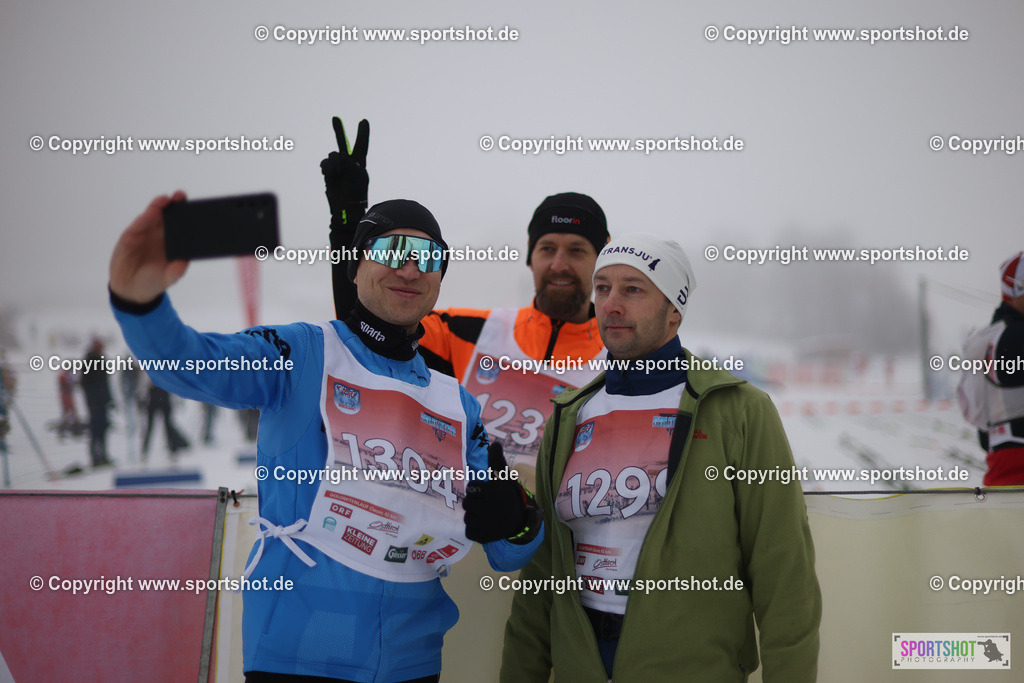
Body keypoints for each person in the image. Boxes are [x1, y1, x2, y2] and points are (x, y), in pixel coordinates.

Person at [109, 192, 543, 682]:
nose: (409, 268)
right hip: (298, 657)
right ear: (356, 265)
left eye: (427, 257)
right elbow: (190, 364)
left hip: (413, 663)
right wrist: (139, 301)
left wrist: (517, 516)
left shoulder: (457, 404)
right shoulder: (303, 354)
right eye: (390, 251)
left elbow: (510, 553)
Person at [501, 234, 821, 682]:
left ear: (675, 310)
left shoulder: (738, 410)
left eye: (633, 289)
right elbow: (540, 581)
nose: (611, 304)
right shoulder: (569, 414)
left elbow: (784, 573)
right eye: (603, 287)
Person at [323, 118, 607, 473]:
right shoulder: (465, 331)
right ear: (529, 256)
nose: (559, 264)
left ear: (601, 259)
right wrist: (349, 225)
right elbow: (367, 329)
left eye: (577, 251)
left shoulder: (623, 362)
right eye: (547, 249)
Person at [958, 250, 1024, 486]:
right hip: (1014, 465)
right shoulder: (1009, 337)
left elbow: (978, 420)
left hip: (1002, 463)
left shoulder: (985, 338)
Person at [79, 337, 113, 466]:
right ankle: (95, 458)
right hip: (94, 402)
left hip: (102, 401)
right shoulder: (88, 361)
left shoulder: (102, 360)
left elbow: (106, 383)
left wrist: (109, 399)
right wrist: (91, 400)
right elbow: (84, 383)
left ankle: (103, 456)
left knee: (103, 429)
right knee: (95, 431)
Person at [140, 379, 189, 459]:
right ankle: (145, 450)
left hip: (164, 395)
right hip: (154, 396)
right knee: (151, 426)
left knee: (168, 425)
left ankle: (172, 449)